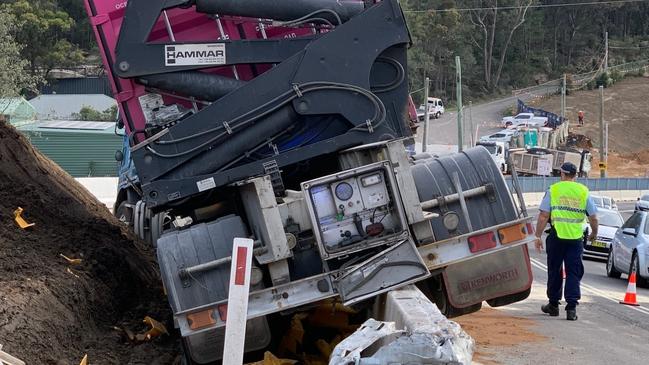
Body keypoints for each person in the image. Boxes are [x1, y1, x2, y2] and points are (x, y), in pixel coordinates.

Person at [534, 162, 598, 321]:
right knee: (573, 272)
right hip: (575, 239)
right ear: (575, 176)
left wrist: (537, 235)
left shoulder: (553, 190)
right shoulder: (584, 192)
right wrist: (594, 233)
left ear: (562, 174)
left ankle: (553, 305)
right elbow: (593, 217)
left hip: (557, 236)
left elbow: (543, 215)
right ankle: (571, 308)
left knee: (554, 270)